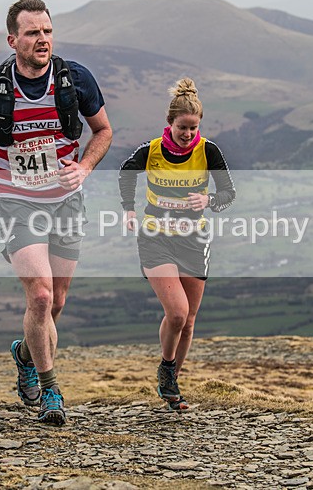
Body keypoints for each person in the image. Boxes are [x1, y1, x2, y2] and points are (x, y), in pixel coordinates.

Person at [0, 0, 112, 425]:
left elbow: (103, 131)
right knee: (38, 296)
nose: (43, 40)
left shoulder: (75, 79)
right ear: (12, 39)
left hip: (66, 202)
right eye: (32, 33)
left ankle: (24, 353)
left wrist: (85, 167)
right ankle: (50, 391)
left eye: (47, 31)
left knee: (55, 303)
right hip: (16, 201)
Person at [118, 78, 234, 410]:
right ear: (170, 123)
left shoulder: (208, 150)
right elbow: (126, 173)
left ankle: (171, 384)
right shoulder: (151, 150)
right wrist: (128, 209)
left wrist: (209, 199)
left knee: (190, 319)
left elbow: (229, 194)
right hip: (156, 237)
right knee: (178, 313)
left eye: (193, 128)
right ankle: (167, 368)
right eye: (182, 127)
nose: (187, 134)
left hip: (194, 240)